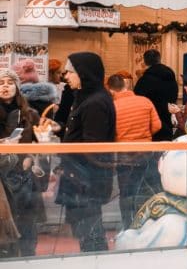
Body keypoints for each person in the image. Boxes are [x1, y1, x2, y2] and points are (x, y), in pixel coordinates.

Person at [55, 53, 117, 252]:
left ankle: (96, 265)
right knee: (85, 228)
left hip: (86, 181)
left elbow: (93, 146)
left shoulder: (94, 103)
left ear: (84, 74)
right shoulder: (86, 98)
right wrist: (61, 128)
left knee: (90, 229)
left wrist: (69, 159)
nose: (66, 76)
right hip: (81, 178)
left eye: (70, 72)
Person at [0, 69, 45, 257]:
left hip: (25, 177)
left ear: (17, 87)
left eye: (10, 82)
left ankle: (28, 262)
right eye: (1, 82)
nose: (5, 86)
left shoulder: (30, 114)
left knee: (27, 225)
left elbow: (41, 144)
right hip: (1, 180)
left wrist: (32, 157)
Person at [107, 74, 161, 229]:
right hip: (146, 152)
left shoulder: (113, 107)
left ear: (111, 90)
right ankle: (152, 223)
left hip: (125, 155)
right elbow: (157, 126)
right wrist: (144, 135)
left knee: (126, 193)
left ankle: (128, 225)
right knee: (150, 189)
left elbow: (112, 133)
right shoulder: (145, 101)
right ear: (126, 86)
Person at [132, 49, 179, 141]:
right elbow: (174, 94)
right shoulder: (170, 76)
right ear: (159, 59)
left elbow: (137, 99)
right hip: (166, 118)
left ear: (145, 62)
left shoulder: (144, 80)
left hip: (150, 121)